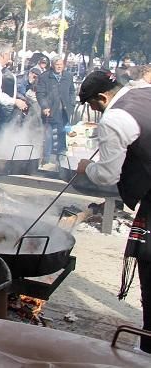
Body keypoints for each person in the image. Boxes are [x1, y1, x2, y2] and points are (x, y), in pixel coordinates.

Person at [75, 70, 151, 353]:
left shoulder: (115, 118)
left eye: (92, 105)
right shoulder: (143, 92)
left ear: (102, 97)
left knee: (150, 267)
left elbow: (107, 175)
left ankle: (147, 351)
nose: (93, 111)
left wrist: (86, 168)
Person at [36, 57, 76, 167]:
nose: (59, 66)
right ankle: (46, 159)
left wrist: (71, 104)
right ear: (52, 65)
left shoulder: (68, 76)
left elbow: (72, 91)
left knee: (62, 133)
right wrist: (44, 106)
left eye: (61, 64)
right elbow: (40, 93)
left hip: (64, 110)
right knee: (48, 135)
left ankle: (61, 159)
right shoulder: (44, 77)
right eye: (57, 64)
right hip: (50, 110)